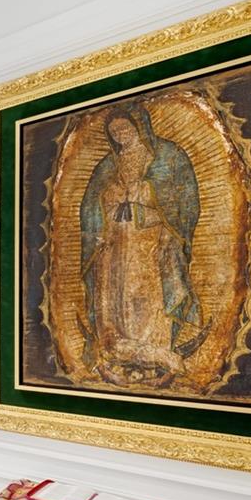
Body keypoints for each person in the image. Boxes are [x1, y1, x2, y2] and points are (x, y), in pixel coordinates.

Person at [78, 103, 203, 385]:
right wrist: (107, 209)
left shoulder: (166, 155)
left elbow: (184, 202)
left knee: (145, 297)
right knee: (114, 298)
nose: (121, 135)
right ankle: (117, 351)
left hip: (149, 240)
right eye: (115, 132)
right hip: (114, 243)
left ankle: (155, 354)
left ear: (139, 126)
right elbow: (90, 206)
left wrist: (144, 199)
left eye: (125, 128)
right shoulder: (108, 165)